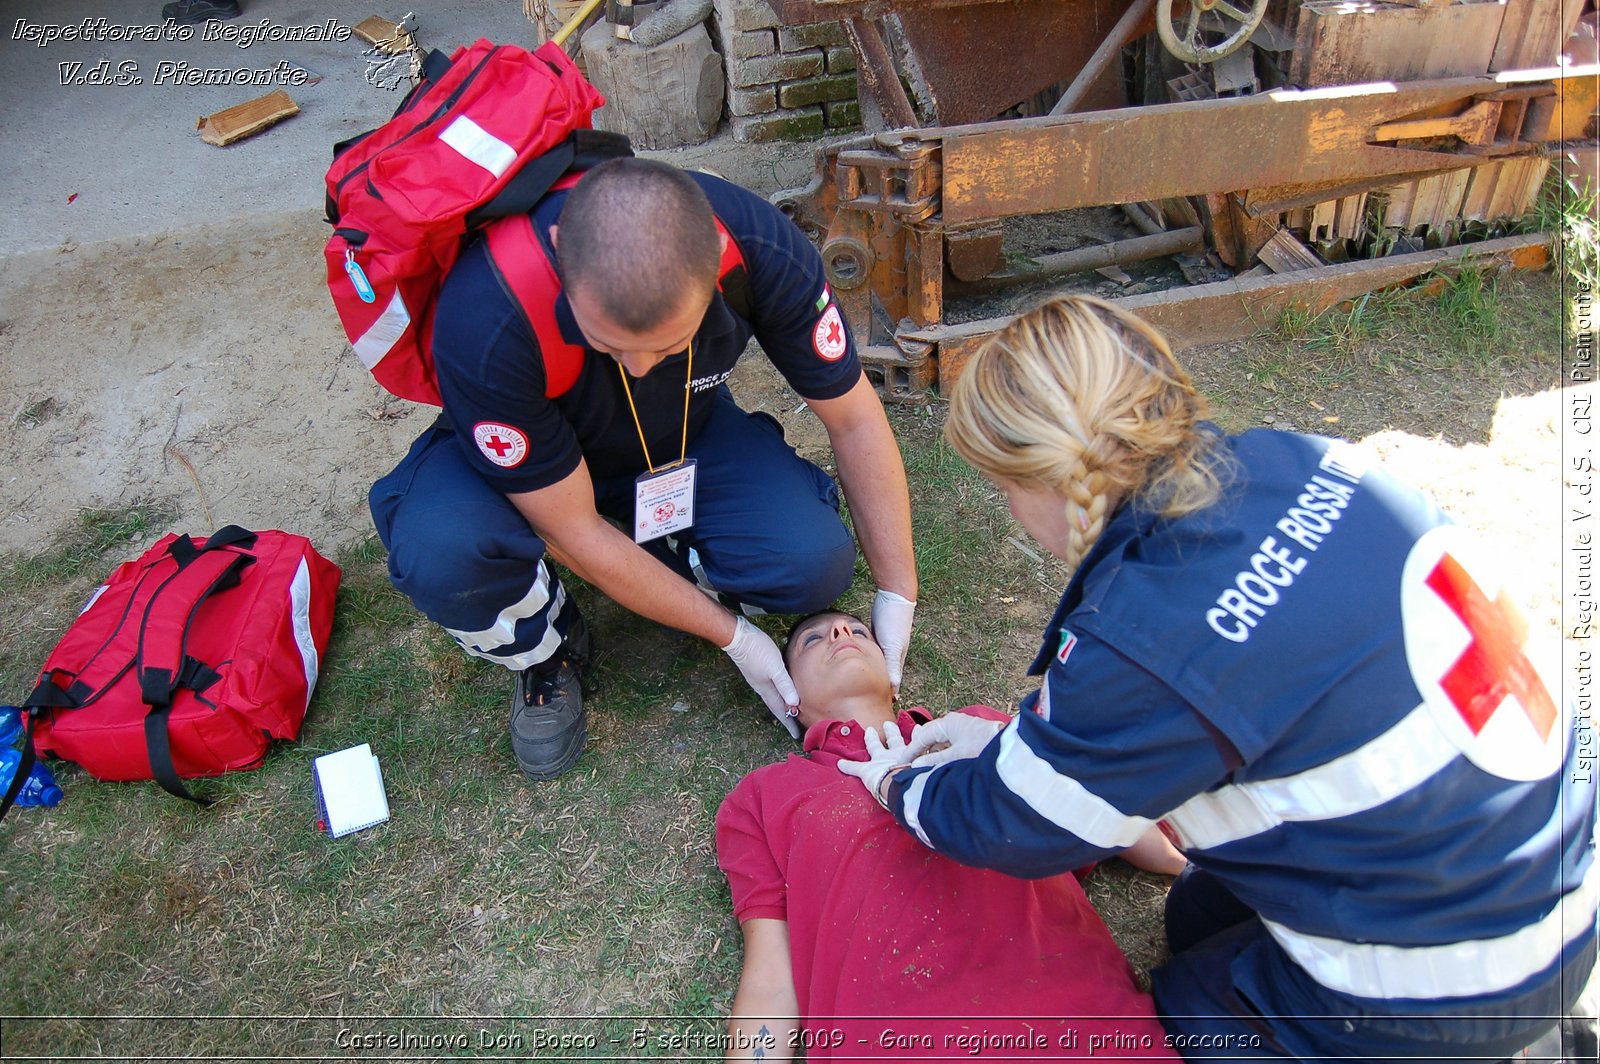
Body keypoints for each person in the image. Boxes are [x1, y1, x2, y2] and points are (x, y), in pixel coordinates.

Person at [838, 294, 1598, 1061]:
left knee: (1185, 1014)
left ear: (1055, 478)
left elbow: (1018, 825)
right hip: (1547, 860)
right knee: (1196, 920)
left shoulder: (1150, 631)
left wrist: (900, 786)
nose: (1008, 509)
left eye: (1006, 485)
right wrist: (1001, 738)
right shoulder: (1294, 455)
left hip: (1464, 980)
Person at [370, 157, 917, 780]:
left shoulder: (758, 245)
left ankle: (657, 555)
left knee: (811, 562)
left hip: (684, 433)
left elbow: (853, 418)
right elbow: (569, 527)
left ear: (712, 257)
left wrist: (898, 590)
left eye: (667, 344)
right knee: (443, 553)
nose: (636, 368)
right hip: (536, 462)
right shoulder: (485, 318)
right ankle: (547, 650)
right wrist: (733, 637)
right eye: (608, 343)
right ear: (559, 251)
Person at [717, 609, 1180, 1061]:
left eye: (858, 629)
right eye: (812, 640)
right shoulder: (763, 797)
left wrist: (1185, 863)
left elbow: (1109, 818)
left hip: (1084, 1029)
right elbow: (771, 981)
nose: (841, 630)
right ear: (787, 693)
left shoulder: (974, 732)